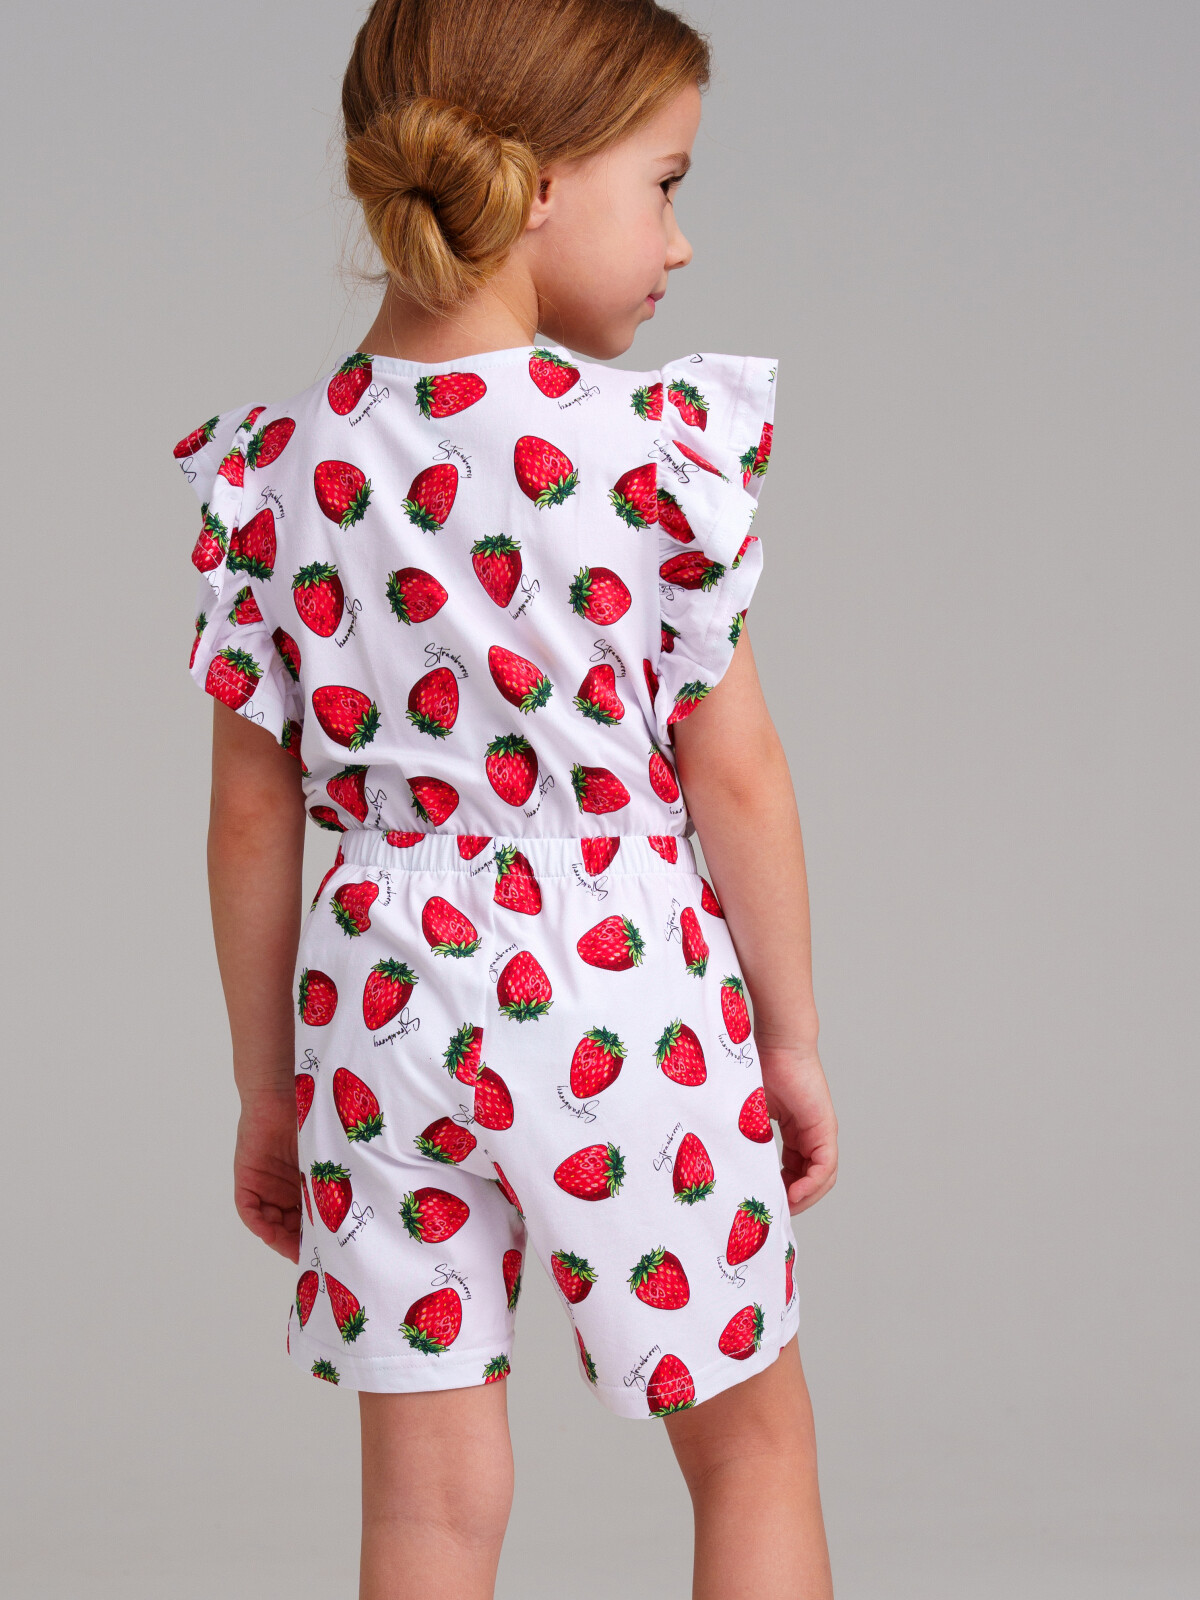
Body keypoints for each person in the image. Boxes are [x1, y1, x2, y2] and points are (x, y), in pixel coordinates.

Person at [171, 1, 838, 1595]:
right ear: (537, 184)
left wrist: (268, 1090)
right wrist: (793, 1037)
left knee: (428, 1507)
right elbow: (736, 773)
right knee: (748, 1450)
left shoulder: (273, 475)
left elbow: (255, 818)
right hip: (627, 982)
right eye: (666, 184)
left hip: (375, 1002)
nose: (679, 240)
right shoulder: (651, 451)